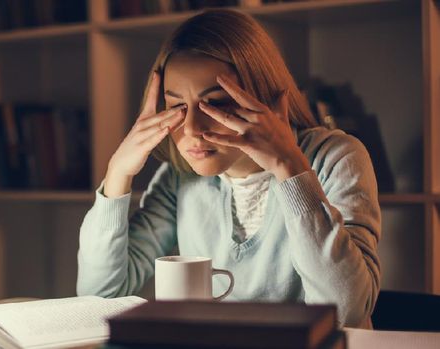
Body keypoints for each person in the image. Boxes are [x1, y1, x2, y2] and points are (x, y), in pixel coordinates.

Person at [76, 9, 380, 328]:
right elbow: (99, 295)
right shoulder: (180, 179)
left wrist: (289, 169)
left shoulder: (335, 158)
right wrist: (117, 174)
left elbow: (345, 313)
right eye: (176, 106)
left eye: (216, 103)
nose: (192, 128)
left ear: (261, 97)